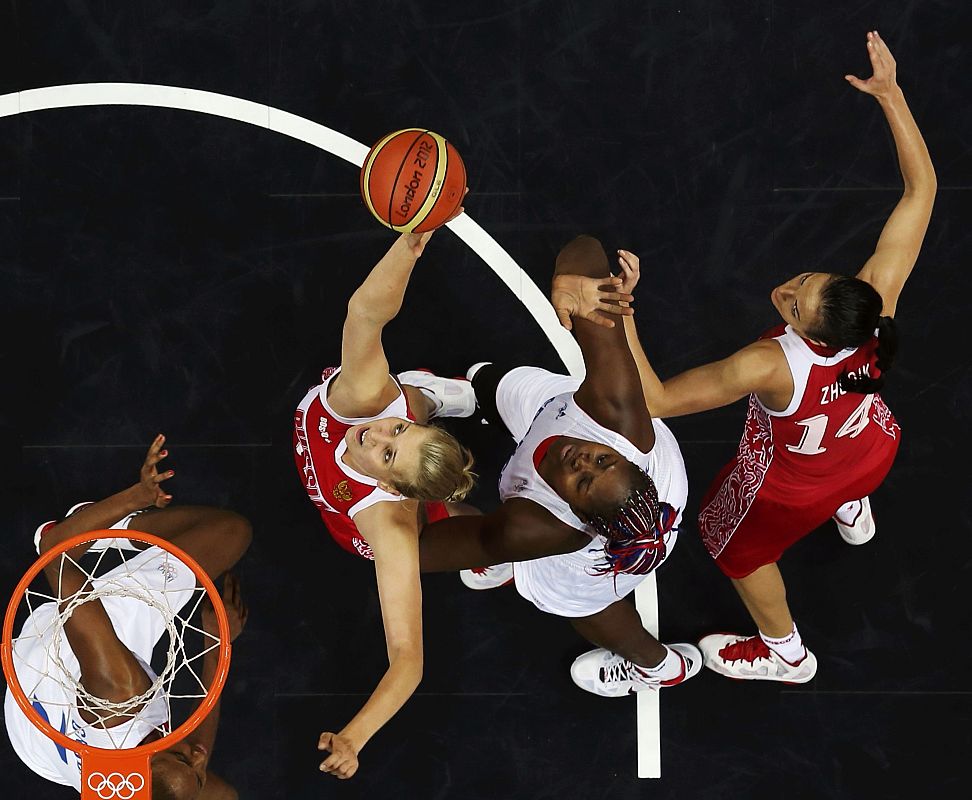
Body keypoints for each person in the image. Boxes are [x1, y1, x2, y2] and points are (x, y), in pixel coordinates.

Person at [615, 31, 935, 682]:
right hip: (872, 451)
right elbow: (921, 191)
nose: (784, 292)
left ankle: (785, 652)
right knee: (852, 470)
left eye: (793, 305)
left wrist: (622, 315)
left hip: (790, 488)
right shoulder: (878, 304)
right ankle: (852, 508)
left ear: (807, 333)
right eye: (804, 283)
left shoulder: (770, 366)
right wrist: (892, 96)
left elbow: (657, 401)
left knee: (728, 547)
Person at [415, 234, 702, 698]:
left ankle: (658, 667)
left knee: (584, 606)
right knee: (490, 379)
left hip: (594, 565)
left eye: (584, 480)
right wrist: (573, 282)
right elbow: (585, 247)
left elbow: (418, 551)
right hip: (650, 487)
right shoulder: (614, 413)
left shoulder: (543, 531)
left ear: (576, 511)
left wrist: (376, 488)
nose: (583, 458)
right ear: (620, 452)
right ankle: (461, 396)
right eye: (602, 460)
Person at [292, 226, 479, 779]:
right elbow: (365, 314)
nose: (372, 436)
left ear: (395, 489)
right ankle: (425, 395)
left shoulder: (392, 529)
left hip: (356, 523)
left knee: (452, 537)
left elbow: (409, 661)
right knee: (394, 387)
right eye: (396, 429)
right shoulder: (364, 402)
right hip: (353, 426)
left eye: (389, 451)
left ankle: (482, 541)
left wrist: (355, 736)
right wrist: (407, 250)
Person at [4, 435, 252, 799]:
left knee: (231, 531)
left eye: (184, 759)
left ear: (134, 773)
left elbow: (54, 556)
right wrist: (217, 641)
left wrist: (136, 496)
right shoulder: (151, 780)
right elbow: (202, 778)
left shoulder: (119, 689)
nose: (199, 755)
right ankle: (104, 529)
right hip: (39, 753)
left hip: (43, 658)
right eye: (198, 773)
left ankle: (107, 526)